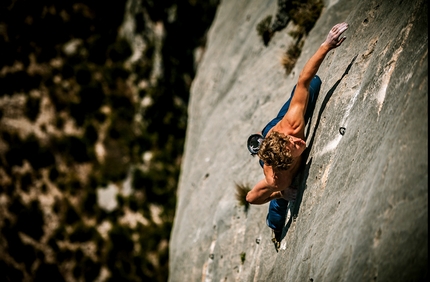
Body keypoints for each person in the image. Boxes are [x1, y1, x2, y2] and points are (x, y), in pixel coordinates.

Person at [246, 22, 349, 246]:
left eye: (293, 141)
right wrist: (279, 194)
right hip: (277, 168)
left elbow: (303, 78)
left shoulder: (292, 127)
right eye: (294, 147)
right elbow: (251, 198)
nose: (299, 141)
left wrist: (327, 45)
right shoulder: (277, 178)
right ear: (285, 162)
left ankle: (262, 136)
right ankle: (273, 227)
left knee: (313, 83)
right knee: (281, 205)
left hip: (278, 126)